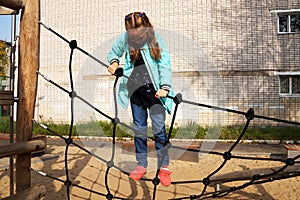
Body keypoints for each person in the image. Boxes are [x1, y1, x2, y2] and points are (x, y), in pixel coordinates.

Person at [107, 12, 174, 186]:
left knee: (159, 130)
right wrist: (114, 62)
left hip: (155, 93)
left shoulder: (156, 40)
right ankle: (141, 164)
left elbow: (164, 65)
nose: (135, 38)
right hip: (135, 91)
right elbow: (114, 52)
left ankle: (164, 166)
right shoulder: (126, 39)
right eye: (132, 35)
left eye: (139, 35)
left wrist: (165, 87)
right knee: (139, 129)